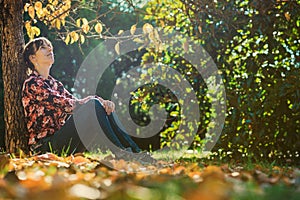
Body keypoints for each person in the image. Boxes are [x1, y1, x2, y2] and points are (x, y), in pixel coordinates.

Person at [22, 37, 156, 164]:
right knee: (93, 105)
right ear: (33, 58)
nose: (50, 50)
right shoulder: (33, 83)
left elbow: (77, 103)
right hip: (46, 148)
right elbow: (68, 105)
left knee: (101, 108)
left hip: (63, 143)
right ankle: (123, 154)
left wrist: (102, 102)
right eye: (43, 48)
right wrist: (95, 100)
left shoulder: (55, 84)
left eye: (50, 47)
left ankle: (135, 152)